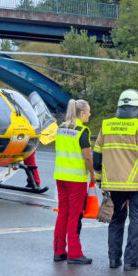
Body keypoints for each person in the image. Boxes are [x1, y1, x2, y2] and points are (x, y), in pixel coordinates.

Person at [93, 89, 138, 271]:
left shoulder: (106, 126)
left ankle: (114, 259)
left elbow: (97, 157)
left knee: (116, 220)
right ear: (137, 107)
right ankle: (131, 262)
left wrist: (100, 179)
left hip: (114, 185)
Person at [53, 99, 96, 265]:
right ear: (82, 112)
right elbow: (87, 156)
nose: (90, 114)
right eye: (89, 111)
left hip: (60, 176)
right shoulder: (82, 131)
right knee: (75, 215)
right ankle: (74, 253)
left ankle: (59, 251)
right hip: (76, 179)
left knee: (63, 213)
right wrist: (92, 174)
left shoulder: (61, 128)